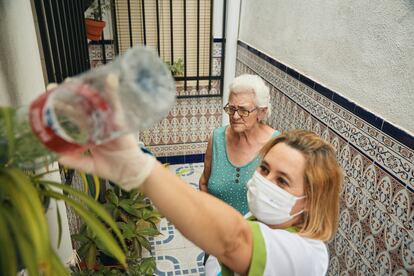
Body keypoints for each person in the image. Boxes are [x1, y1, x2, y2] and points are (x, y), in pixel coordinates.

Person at [59, 128, 342, 276]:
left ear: (312, 202)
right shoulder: (258, 219)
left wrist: (139, 168)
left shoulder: (307, 255)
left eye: (282, 181)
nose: (265, 182)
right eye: (264, 169)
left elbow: (233, 240)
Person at [200, 74, 280, 215]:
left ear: (262, 112)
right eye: (231, 109)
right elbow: (204, 183)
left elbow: (278, 203)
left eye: (243, 110)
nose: (235, 116)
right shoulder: (217, 138)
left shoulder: (275, 145)